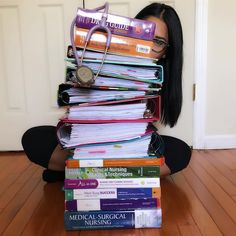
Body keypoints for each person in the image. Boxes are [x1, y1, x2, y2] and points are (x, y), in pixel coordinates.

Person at [21, 2, 192, 182]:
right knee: (34, 138)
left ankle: (77, 172)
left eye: (157, 41)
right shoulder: (99, 58)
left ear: (166, 51)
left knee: (181, 151)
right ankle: (122, 173)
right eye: (143, 37)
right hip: (90, 141)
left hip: (130, 145)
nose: (146, 47)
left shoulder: (158, 77)